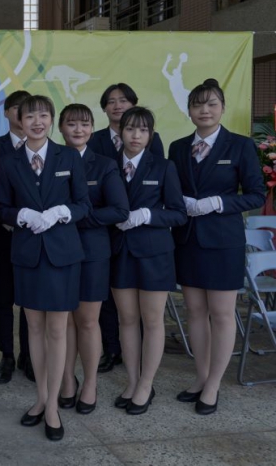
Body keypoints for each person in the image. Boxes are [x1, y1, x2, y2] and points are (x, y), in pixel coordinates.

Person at [169, 79, 265, 415]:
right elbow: (173, 189)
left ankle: (213, 385)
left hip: (223, 242)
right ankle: (200, 377)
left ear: (222, 108)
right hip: (188, 240)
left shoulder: (240, 146)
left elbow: (256, 194)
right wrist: (178, 201)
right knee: (194, 312)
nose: (204, 110)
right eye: (197, 105)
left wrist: (217, 203)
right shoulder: (178, 147)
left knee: (223, 315)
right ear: (189, 110)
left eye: (211, 104)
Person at [0, 95, 90, 441]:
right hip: (28, 255)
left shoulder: (68, 156)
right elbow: (3, 207)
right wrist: (21, 215)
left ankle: (52, 406)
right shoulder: (9, 161)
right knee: (33, 328)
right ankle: (39, 398)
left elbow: (83, 203)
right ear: (19, 120)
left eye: (43, 115)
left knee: (57, 329)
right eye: (30, 115)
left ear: (51, 120)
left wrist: (59, 212)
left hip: (63, 254)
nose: (37, 121)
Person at [111, 106, 187, 415]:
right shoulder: (107, 166)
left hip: (155, 254)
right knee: (127, 319)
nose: (136, 135)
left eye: (143, 130)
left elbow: (179, 213)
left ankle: (146, 383)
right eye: (130, 129)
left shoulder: (163, 166)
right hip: (120, 253)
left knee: (153, 320)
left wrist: (148, 215)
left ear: (151, 135)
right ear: (120, 132)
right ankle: (131, 380)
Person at [57, 104, 129, 415]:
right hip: (57, 252)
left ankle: (89, 383)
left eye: (84, 124)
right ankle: (66, 380)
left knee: (86, 321)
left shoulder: (104, 164)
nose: (78, 130)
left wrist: (77, 217)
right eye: (71, 124)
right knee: (64, 321)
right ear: (60, 128)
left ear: (91, 128)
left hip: (92, 252)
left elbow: (119, 210)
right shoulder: (50, 160)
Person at [88, 83, 164, 374]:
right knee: (109, 300)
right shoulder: (94, 141)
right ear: (104, 107)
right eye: (111, 101)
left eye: (123, 100)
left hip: (144, 239)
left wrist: (144, 215)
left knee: (141, 307)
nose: (117, 105)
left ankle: (143, 357)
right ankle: (112, 348)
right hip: (106, 232)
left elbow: (157, 179)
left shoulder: (151, 142)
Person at [0, 89, 33, 384]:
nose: (21, 114)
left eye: (27, 109)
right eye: (16, 108)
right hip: (3, 236)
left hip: (34, 237)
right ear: (6, 113)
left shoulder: (44, 148)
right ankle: (6, 354)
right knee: (3, 298)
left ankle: (29, 355)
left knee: (31, 299)